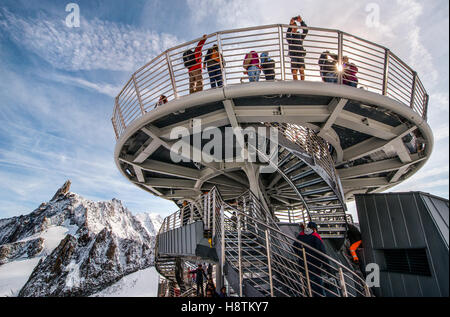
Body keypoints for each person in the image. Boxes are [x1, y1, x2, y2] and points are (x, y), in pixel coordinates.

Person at [293, 221, 329, 297]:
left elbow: (294, 246)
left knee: (307, 286)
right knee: (318, 288)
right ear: (314, 229)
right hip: (314, 266)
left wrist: (301, 255)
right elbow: (322, 252)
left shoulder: (301, 235)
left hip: (303, 264)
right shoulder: (315, 236)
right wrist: (328, 268)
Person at [286, 16, 308, 81]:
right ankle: (296, 83)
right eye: (292, 28)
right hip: (293, 55)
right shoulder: (290, 37)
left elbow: (305, 30)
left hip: (300, 55)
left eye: (295, 27)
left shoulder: (300, 36)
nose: (294, 29)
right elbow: (287, 36)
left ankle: (302, 83)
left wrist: (301, 21)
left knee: (301, 70)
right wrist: (290, 25)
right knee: (294, 71)